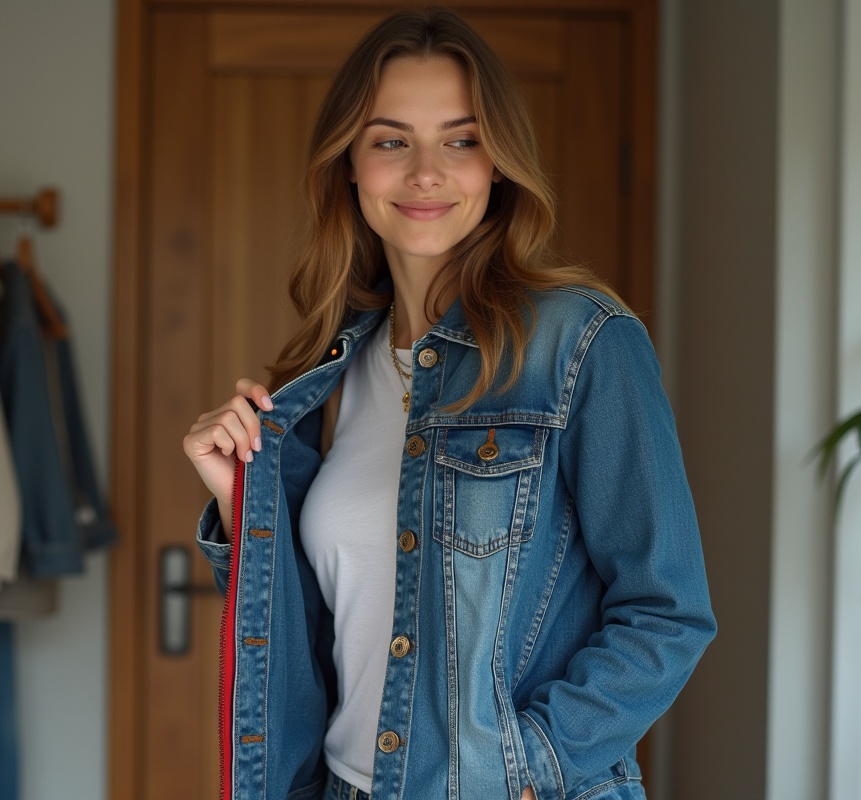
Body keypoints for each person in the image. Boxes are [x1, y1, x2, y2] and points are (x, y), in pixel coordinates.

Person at [182, 8, 716, 800]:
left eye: (461, 140)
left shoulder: (584, 343)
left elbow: (668, 613)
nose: (426, 171)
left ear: (497, 164)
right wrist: (239, 507)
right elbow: (315, 640)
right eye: (391, 140)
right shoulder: (321, 376)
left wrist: (522, 763)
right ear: (350, 165)